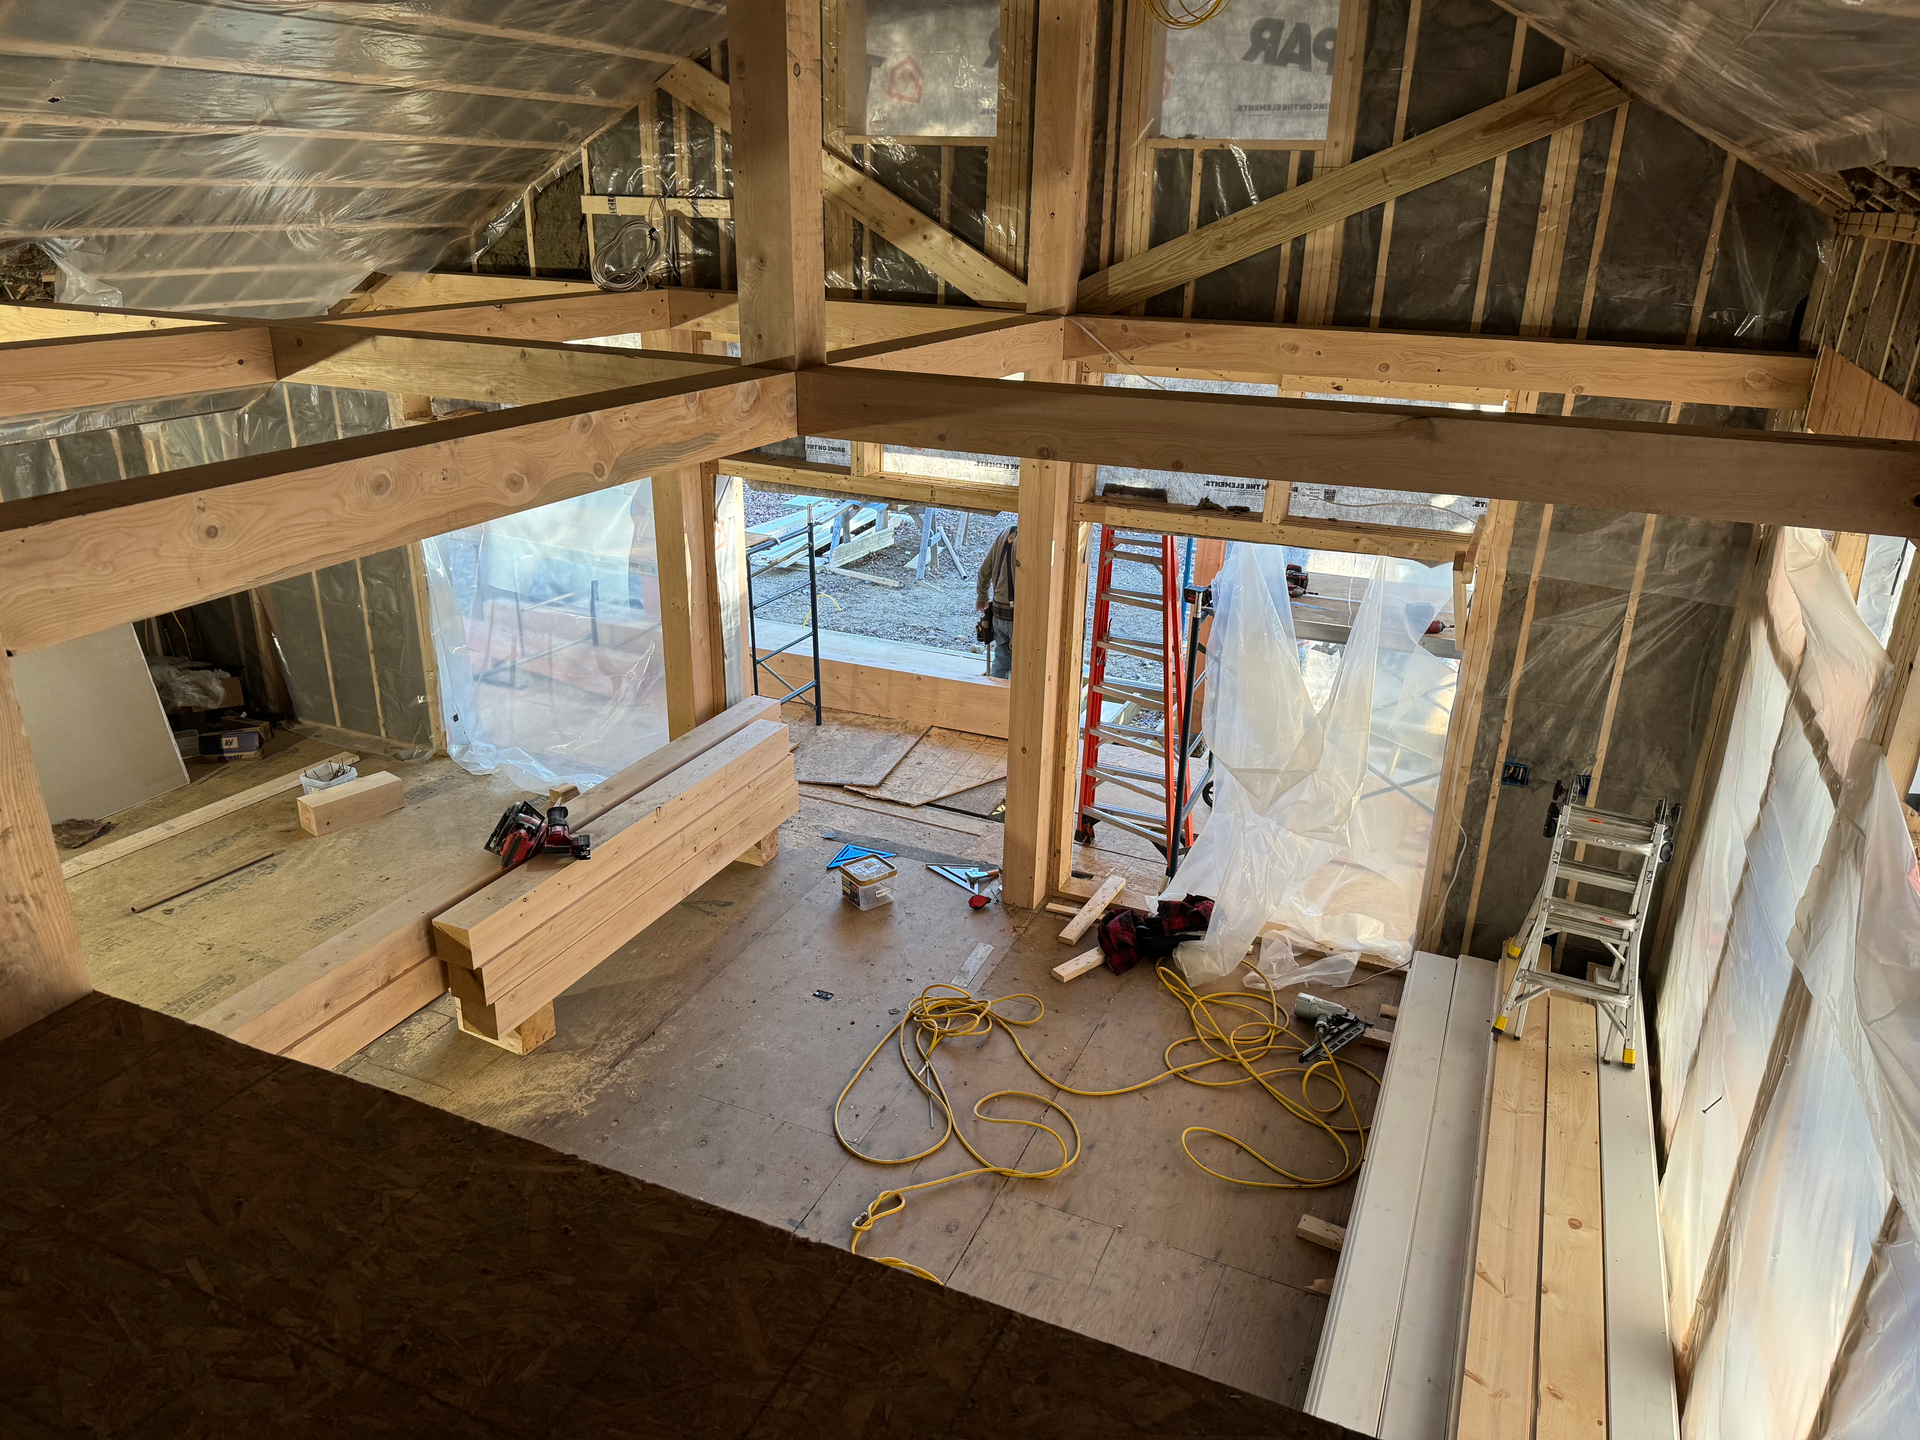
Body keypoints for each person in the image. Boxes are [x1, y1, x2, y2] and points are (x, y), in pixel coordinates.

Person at [976, 522, 1017, 679]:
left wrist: (982, 596)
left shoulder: (1006, 532)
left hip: (998, 614)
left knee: (1002, 659)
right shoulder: (1031, 539)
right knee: (1023, 664)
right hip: (1016, 615)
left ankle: (995, 698)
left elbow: (984, 571)